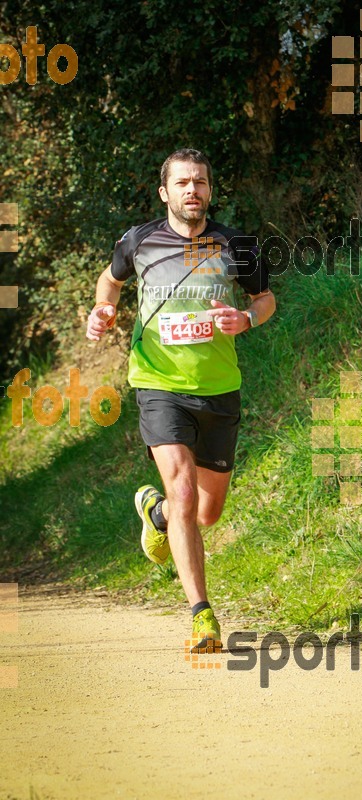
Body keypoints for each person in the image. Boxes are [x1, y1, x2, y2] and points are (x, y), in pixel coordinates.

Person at [86, 148, 275, 652]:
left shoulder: (235, 244)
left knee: (205, 513)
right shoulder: (140, 240)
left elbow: (265, 298)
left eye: (202, 183)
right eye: (184, 183)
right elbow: (111, 279)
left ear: (210, 191)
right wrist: (103, 310)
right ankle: (202, 616)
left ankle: (158, 515)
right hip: (158, 383)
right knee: (186, 492)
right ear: (165, 192)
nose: (194, 190)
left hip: (219, 388)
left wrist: (247, 318)